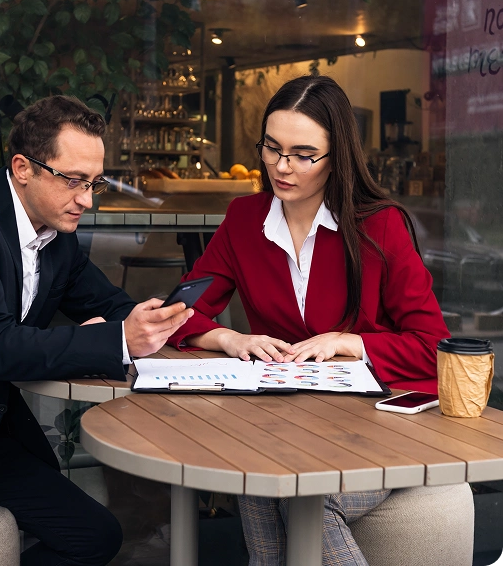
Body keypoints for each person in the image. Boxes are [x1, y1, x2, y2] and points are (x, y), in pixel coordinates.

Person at [167, 75, 449, 565]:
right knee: (259, 477)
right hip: (279, 426)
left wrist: (350, 342)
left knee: (299, 503)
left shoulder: (380, 225)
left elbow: (433, 344)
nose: (281, 166)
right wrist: (228, 337)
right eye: (272, 148)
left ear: (336, 157)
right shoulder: (244, 220)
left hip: (374, 429)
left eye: (302, 154)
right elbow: (180, 313)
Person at [0, 95, 193, 566]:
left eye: (94, 183)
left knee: (96, 536)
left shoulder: (56, 239)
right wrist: (113, 338)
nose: (86, 200)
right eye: (73, 181)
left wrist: (169, 325)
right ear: (23, 168)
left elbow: (113, 305)